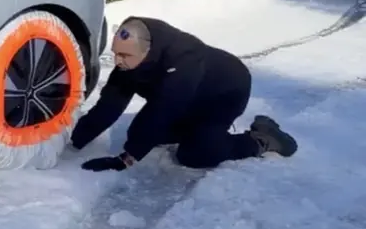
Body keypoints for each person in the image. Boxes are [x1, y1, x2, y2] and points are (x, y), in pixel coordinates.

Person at [71, 16, 298, 172]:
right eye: (115, 54)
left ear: (147, 51)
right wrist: (75, 141)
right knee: (146, 134)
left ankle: (262, 139)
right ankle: (190, 130)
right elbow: (110, 104)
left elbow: (163, 109)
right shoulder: (131, 57)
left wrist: (126, 160)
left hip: (223, 94)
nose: (117, 61)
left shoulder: (184, 59)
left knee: (195, 155)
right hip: (185, 98)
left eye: (124, 56)